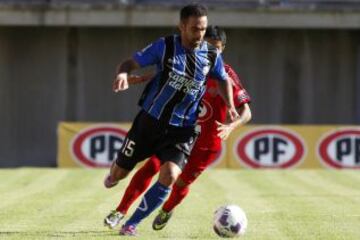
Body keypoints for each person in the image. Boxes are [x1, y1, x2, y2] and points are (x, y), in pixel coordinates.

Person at [104, 4, 239, 236]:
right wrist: (123, 74)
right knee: (119, 175)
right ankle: (115, 172)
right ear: (182, 26)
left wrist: (230, 106)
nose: (200, 35)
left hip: (182, 129)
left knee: (170, 175)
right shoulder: (164, 46)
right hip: (149, 123)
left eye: (203, 29)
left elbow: (224, 79)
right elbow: (131, 63)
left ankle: (131, 224)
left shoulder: (211, 54)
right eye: (195, 29)